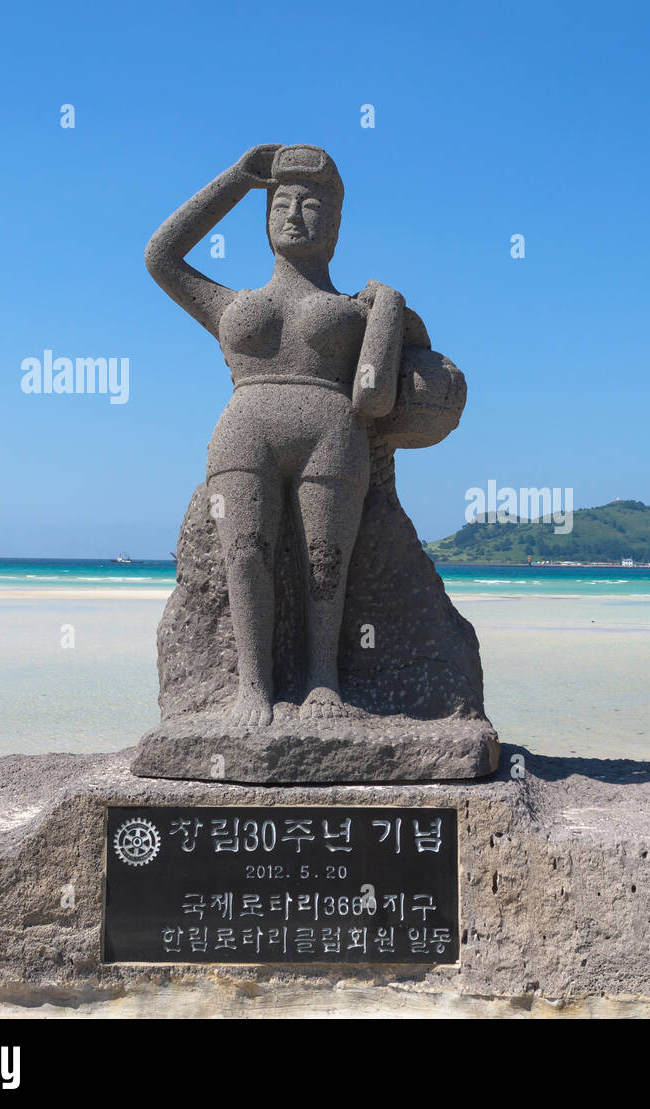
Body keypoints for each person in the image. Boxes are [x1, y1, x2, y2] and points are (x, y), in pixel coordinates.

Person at [145, 144, 404, 726]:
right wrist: (238, 180)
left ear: (335, 224)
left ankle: (322, 681)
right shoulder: (232, 304)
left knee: (325, 563)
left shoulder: (359, 309)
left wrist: (388, 310)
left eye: (311, 206)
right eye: (280, 204)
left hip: (332, 434)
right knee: (244, 556)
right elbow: (160, 256)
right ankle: (251, 687)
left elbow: (374, 398)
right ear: (263, 219)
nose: (292, 215)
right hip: (244, 434)